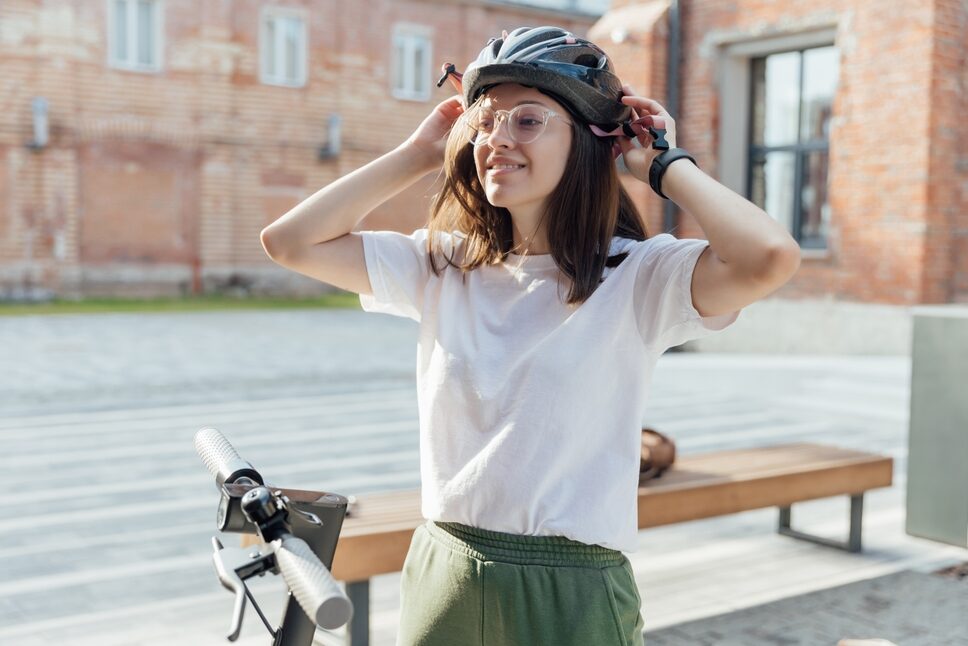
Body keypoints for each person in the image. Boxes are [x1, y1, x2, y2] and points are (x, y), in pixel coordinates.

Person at [261, 25, 801, 646]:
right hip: (446, 567)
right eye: (485, 122)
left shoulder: (640, 275)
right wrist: (418, 153)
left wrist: (661, 165)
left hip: (571, 590)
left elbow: (768, 256)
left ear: (591, 139)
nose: (497, 139)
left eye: (527, 120)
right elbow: (290, 242)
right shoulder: (444, 266)